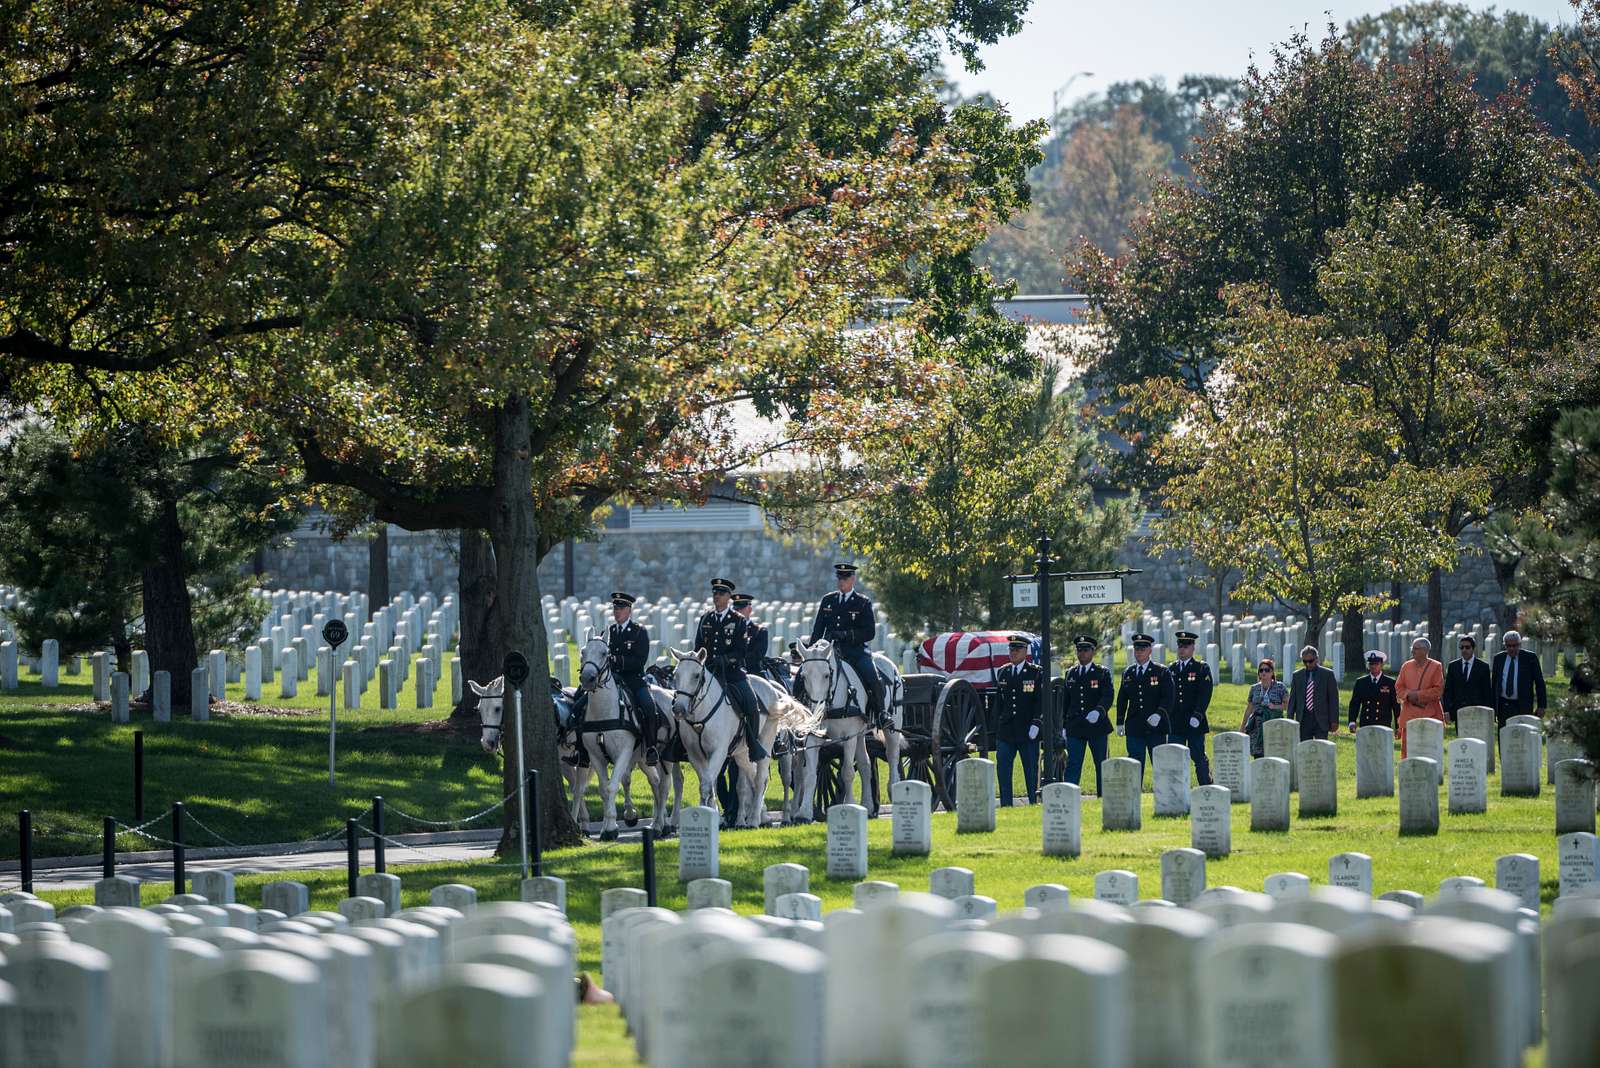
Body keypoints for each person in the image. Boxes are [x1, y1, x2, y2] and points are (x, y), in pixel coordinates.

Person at [570, 592, 660, 764]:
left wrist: (617, 660)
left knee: (648, 706)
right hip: (608, 679)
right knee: (578, 703)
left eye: (621, 608)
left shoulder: (638, 632)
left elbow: (640, 659)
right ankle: (581, 750)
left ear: (629, 610)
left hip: (632, 679)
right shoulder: (608, 632)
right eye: (615, 608)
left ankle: (651, 748)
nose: (617, 611)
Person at [695, 578, 765, 760]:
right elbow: (698, 647)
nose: (716, 596)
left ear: (728, 597)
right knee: (684, 698)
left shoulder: (738, 620)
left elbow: (741, 651)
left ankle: (753, 743)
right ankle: (682, 744)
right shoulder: (705, 619)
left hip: (732, 673)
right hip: (709, 672)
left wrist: (725, 659)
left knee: (751, 703)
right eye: (714, 593)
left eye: (720, 593)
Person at [808, 562, 884, 725]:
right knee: (806, 674)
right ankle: (805, 710)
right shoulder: (828, 600)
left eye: (845, 578)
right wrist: (811, 652)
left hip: (855, 652)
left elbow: (869, 632)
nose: (841, 581)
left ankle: (882, 714)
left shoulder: (862, 602)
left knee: (872, 677)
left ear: (852, 579)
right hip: (830, 652)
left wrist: (846, 635)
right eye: (839, 578)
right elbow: (817, 630)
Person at [992, 635, 1044, 806]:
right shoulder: (1003, 672)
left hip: (1027, 730)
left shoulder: (1036, 672)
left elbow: (1040, 701)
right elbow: (998, 703)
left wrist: (1036, 723)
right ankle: (1006, 805)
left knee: (1030, 771)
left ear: (1025, 651)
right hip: (1006, 731)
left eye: (1017, 649)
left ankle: (1032, 802)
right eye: (1011, 649)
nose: (1013, 652)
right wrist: (997, 726)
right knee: (1004, 771)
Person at [1061, 635, 1114, 795]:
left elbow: (1108, 695)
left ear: (1092, 652)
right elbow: (1066, 702)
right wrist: (1063, 726)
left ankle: (1102, 797)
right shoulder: (1071, 673)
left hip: (1096, 726)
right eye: (1079, 650)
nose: (1082, 653)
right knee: (1073, 764)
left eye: (1085, 650)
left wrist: (1099, 711)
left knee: (1101, 764)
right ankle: (1069, 796)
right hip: (1075, 726)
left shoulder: (1101, 673)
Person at [1116, 633, 1172, 781]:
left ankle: (1164, 799)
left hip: (1156, 727)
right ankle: (1135, 799)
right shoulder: (1128, 672)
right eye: (1137, 649)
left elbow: (1168, 697)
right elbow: (1122, 698)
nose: (1139, 652)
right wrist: (1120, 721)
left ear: (1149, 650)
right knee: (1134, 765)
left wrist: (1159, 714)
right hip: (1135, 727)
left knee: (1160, 766)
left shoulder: (1161, 672)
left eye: (1142, 648)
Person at [1169, 630, 1214, 786]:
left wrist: (1198, 714)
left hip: (1194, 721)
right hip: (1176, 722)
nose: (1182, 649)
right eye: (1180, 646)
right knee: (1175, 758)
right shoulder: (1172, 668)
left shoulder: (1201, 668)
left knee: (1198, 756)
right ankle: (1177, 791)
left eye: (1186, 646)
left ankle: (1206, 786)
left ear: (1193, 648)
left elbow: (1205, 694)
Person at [1394, 636, 1445, 758]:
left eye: (1415, 649)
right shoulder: (1406, 666)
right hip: (1409, 715)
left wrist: (1417, 695)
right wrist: (1407, 695)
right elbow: (1398, 686)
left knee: (1429, 751)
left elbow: (1438, 690)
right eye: (1412, 648)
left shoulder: (1436, 666)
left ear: (1425, 650)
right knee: (1407, 752)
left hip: (1429, 714)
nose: (1412, 651)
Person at [1492, 630, 1547, 727]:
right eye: (1509, 646)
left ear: (1520, 644)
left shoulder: (1530, 658)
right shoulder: (1498, 659)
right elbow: (1494, 684)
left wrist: (1541, 706)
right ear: (1504, 645)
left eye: (1515, 645)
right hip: (1503, 705)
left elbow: (1539, 683)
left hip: (1523, 704)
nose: (1512, 649)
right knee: (1504, 735)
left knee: (1522, 736)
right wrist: (1493, 707)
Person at [1288, 644, 1340, 741]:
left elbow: (1333, 699)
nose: (1308, 664)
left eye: (1310, 661)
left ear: (1316, 659)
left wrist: (1334, 720)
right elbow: (1293, 699)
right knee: (1304, 748)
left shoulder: (1327, 674)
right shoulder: (1297, 676)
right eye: (1305, 661)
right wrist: (1290, 719)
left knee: (1321, 748)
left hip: (1321, 719)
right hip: (1303, 719)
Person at [1442, 634, 1493, 727]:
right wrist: (1446, 710)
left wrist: (1487, 712)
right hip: (1458, 710)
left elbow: (1487, 692)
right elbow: (1448, 690)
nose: (1464, 650)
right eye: (1461, 647)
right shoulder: (1453, 666)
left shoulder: (1483, 666)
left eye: (1467, 647)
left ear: (1473, 648)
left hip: (1477, 711)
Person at [1242, 659, 1288, 758]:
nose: (1263, 672)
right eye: (1261, 670)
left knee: (1274, 755)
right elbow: (1249, 709)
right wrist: (1242, 728)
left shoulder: (1280, 687)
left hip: (1274, 725)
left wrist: (1274, 706)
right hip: (1257, 727)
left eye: (1267, 670)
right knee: (1258, 756)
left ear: (1272, 672)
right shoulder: (1254, 688)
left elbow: (1287, 705)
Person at [1347, 650, 1398, 731]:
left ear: (1382, 665)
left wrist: (1398, 726)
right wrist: (1352, 722)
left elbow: (1396, 706)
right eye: (1371, 664)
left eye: (1376, 664)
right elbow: (1354, 703)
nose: (1373, 666)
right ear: (1368, 665)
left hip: (1383, 724)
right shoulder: (1361, 682)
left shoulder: (1390, 682)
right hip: (1366, 723)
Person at [734, 593, 773, 681]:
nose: (738, 612)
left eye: (741, 609)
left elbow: (757, 655)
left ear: (749, 609)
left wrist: (735, 660)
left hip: (753, 674)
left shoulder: (759, 631)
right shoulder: (729, 630)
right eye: (736, 609)